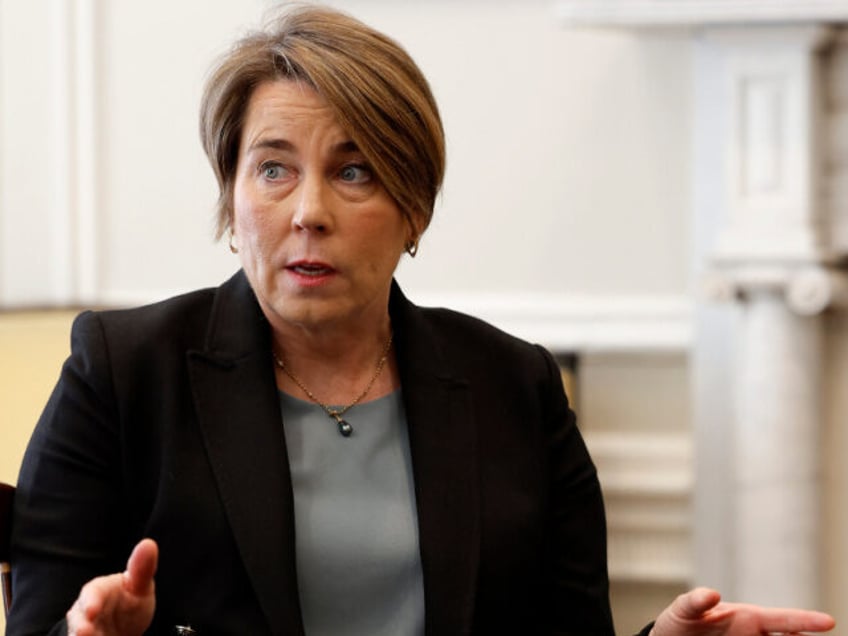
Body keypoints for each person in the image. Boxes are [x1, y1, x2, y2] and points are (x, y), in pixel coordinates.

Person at [6, 5, 836, 636]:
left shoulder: (514, 386)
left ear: (415, 210)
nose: (309, 212)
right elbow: (44, 615)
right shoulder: (120, 372)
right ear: (231, 200)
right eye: (272, 169)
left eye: (355, 171)